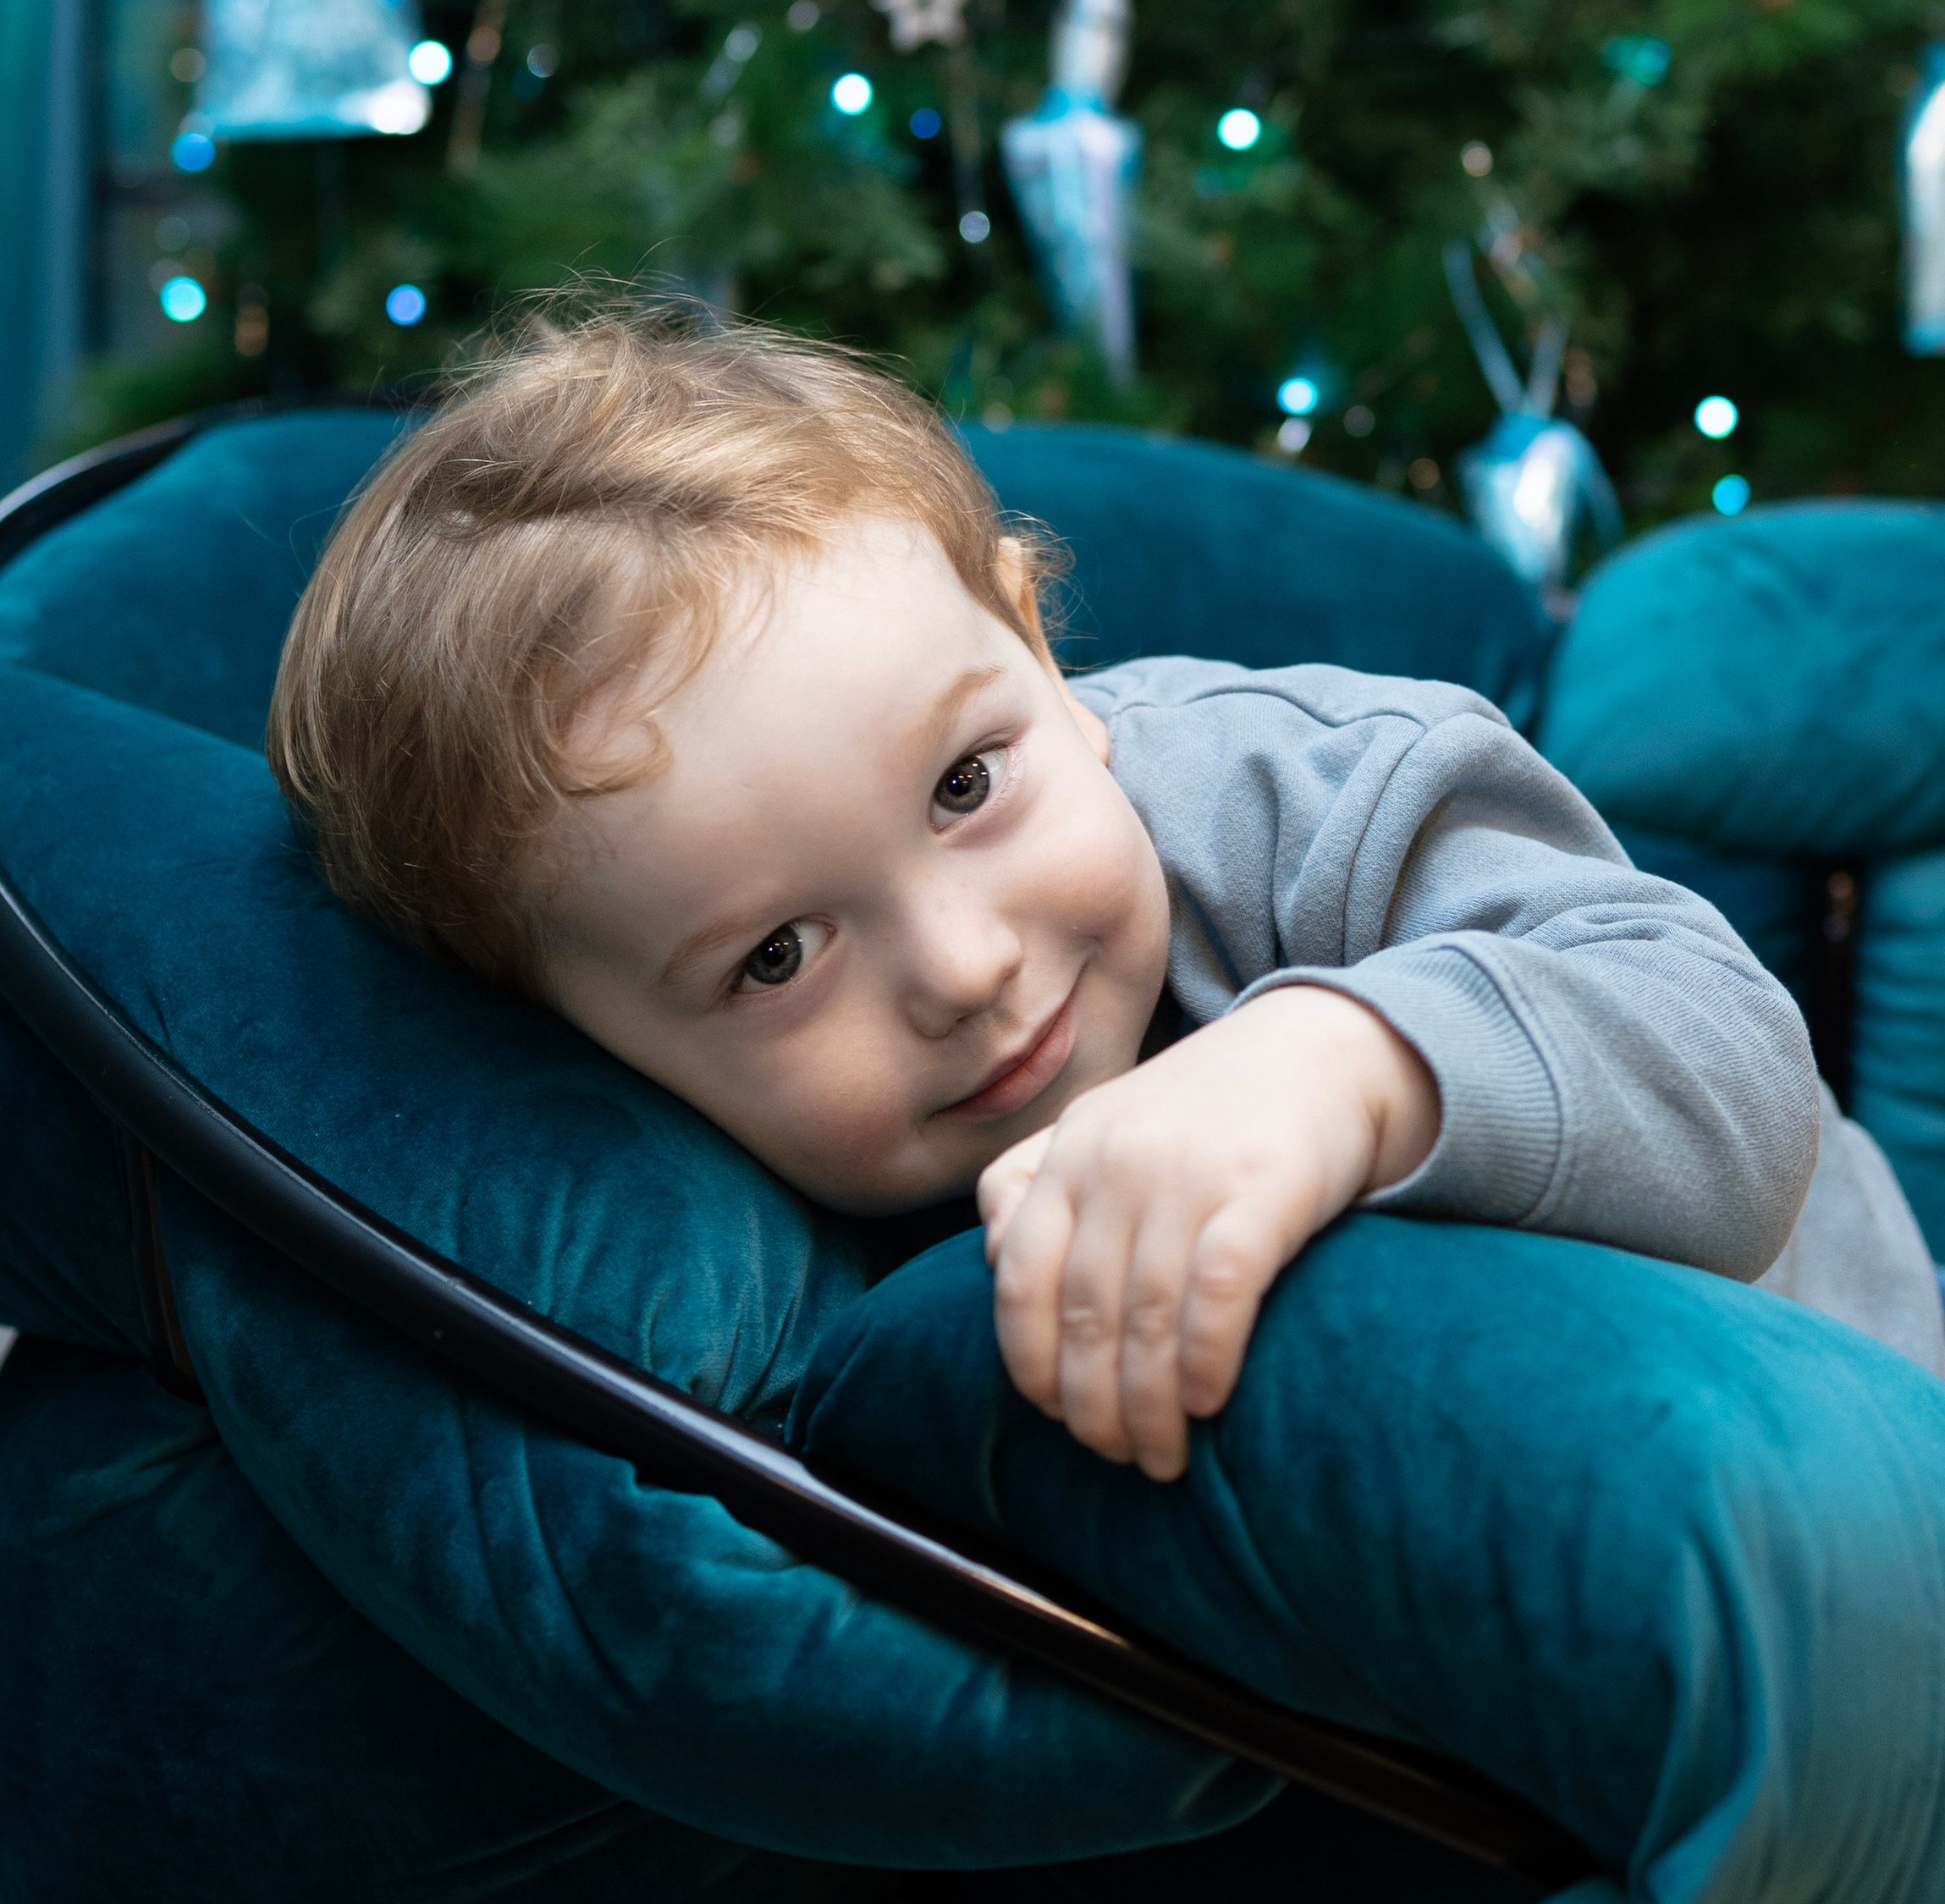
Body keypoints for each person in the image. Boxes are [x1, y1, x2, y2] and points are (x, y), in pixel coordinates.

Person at [267, 305, 1823, 1482]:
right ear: (570, 1034)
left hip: (1907, 1391)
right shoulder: (690, 1217)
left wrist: (1341, 1067)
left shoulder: (1313, 789)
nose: (961, 967)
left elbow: (1744, 1085)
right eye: (778, 955)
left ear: (1038, 652)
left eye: (966, 784)